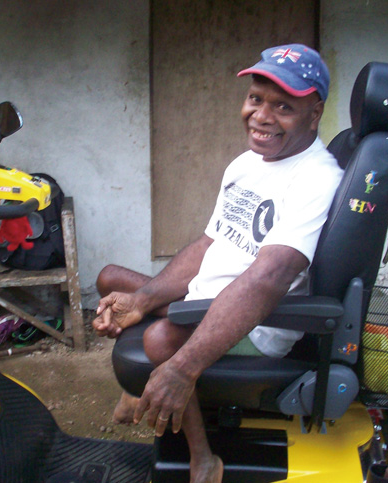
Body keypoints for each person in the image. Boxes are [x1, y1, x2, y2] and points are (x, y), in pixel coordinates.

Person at [93, 44, 343, 483]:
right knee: (111, 279)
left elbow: (268, 280)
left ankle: (204, 459)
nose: (262, 116)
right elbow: (210, 243)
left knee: (159, 340)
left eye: (283, 106)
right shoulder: (247, 163)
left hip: (256, 323)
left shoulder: (317, 178)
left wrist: (182, 366)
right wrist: (144, 298)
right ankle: (137, 392)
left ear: (314, 112)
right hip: (206, 298)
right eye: (256, 99)